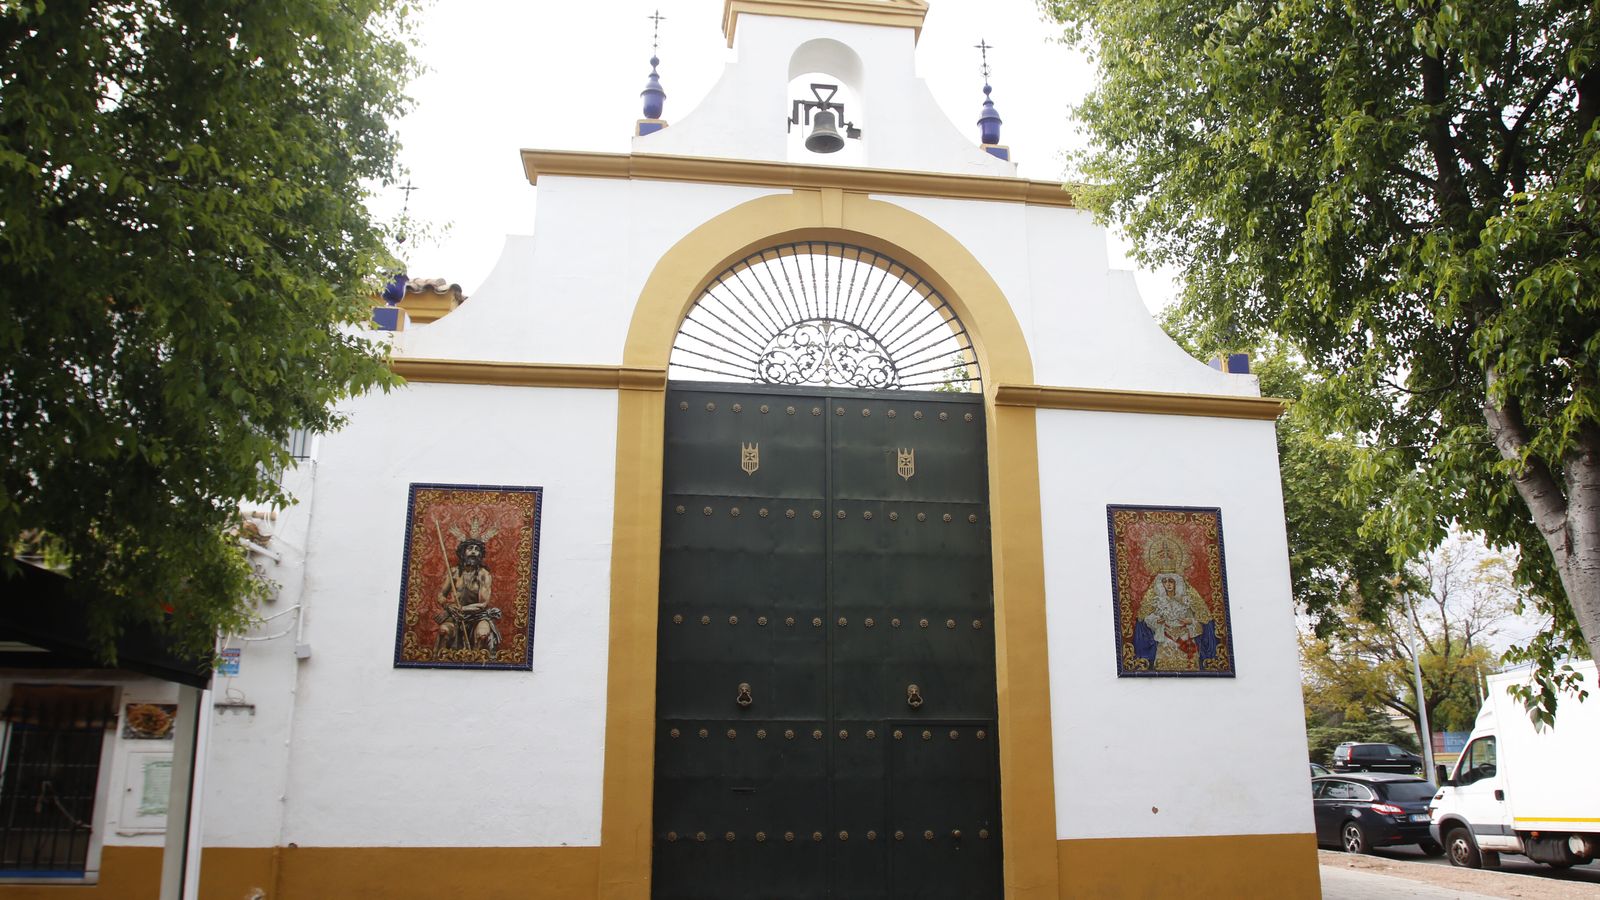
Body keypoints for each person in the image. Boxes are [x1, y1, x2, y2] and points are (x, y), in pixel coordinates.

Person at [435, 537, 501, 653]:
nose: (474, 552)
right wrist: (447, 606)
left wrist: (459, 609)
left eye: (477, 549)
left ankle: (476, 665)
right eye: (470, 548)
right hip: (456, 618)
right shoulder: (454, 572)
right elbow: (441, 595)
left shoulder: (483, 574)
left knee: (482, 634)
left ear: (480, 554)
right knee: (443, 631)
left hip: (478, 617)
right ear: (463, 552)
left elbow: (483, 604)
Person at [1139, 572, 1212, 670]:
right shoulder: (1159, 601)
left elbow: (1200, 619)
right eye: (1165, 581)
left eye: (1171, 581)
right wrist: (1156, 620)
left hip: (1185, 639)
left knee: (1189, 666)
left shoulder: (1185, 601)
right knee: (1163, 666)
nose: (1168, 584)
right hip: (1166, 639)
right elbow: (1148, 618)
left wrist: (1190, 621)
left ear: (1176, 583)